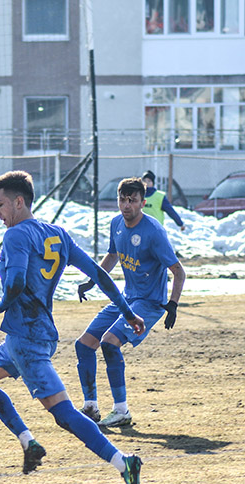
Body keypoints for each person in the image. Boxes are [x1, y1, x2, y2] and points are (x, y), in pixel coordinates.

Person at [0, 170, 146, 484]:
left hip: (25, 337)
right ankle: (28, 442)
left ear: (19, 202)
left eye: (1, 204)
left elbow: (17, 283)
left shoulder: (16, 236)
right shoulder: (57, 235)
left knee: (64, 414)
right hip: (33, 334)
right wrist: (126, 311)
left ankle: (124, 462)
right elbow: (100, 274)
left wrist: (0, 305)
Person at [75, 176, 186, 428]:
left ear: (142, 202)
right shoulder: (116, 224)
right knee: (83, 345)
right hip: (126, 298)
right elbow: (112, 255)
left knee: (109, 344)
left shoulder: (154, 231)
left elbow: (178, 271)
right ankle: (91, 407)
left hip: (148, 303)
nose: (127, 206)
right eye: (122, 200)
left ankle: (121, 410)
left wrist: (173, 304)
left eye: (133, 200)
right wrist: (92, 280)